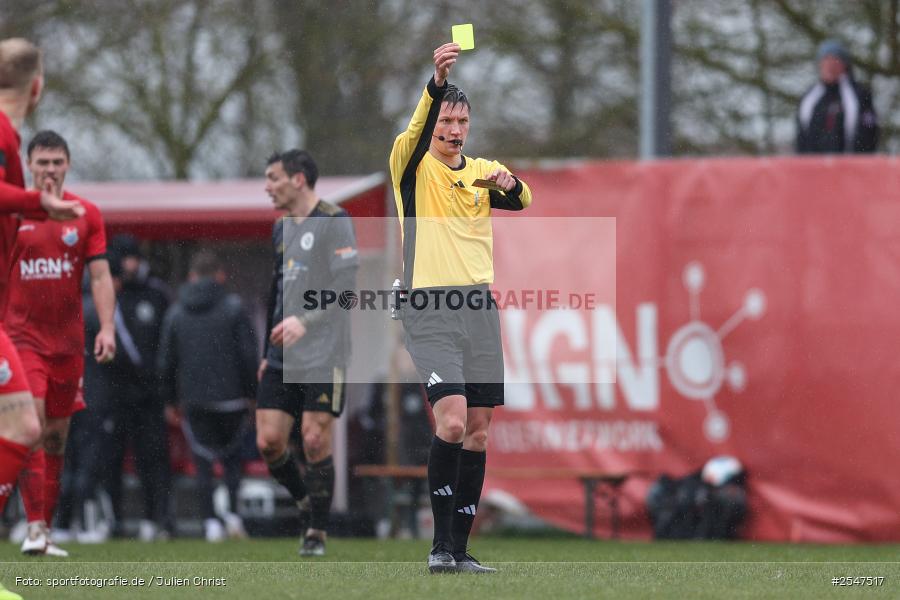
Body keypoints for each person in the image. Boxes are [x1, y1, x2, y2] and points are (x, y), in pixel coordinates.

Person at [389, 42, 533, 574]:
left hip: (479, 309)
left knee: (477, 430)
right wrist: (435, 82)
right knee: (449, 424)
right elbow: (414, 131)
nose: (453, 128)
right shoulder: (413, 165)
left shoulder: (480, 171)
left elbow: (524, 199)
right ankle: (437, 546)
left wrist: (509, 183)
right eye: (447, 118)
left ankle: (457, 547)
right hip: (429, 307)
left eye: (461, 119)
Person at [4, 130, 116, 557]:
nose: (49, 170)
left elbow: (101, 275)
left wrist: (106, 327)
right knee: (30, 427)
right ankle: (32, 526)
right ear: (28, 166)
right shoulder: (14, 215)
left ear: (68, 164)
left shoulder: (85, 214)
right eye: (42, 162)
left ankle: (43, 531)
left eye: (57, 162)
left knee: (55, 437)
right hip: (20, 340)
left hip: (68, 345)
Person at [0, 37, 83, 600]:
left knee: (30, 431)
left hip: (55, 342)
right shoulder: (4, 133)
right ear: (38, 85)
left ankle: (39, 528)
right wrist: (37, 204)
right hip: (15, 330)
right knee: (26, 429)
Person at [255, 149, 358, 556]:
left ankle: (316, 531)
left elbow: (348, 294)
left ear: (298, 180)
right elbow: (276, 292)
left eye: (273, 178)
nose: (267, 186)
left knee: (314, 440)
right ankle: (304, 500)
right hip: (281, 356)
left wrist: (306, 321)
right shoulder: (281, 228)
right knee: (269, 442)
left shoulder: (335, 221)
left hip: (324, 352)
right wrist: (267, 349)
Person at [157, 250, 258, 542]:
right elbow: (248, 355)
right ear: (220, 275)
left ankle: (210, 522)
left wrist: (171, 400)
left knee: (202, 462)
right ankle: (234, 515)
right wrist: (252, 394)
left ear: (191, 277)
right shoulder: (234, 308)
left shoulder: (176, 312)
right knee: (232, 461)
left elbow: (166, 360)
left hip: (195, 399)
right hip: (232, 400)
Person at [97, 234, 172, 540]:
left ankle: (156, 521)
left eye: (132, 257)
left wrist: (166, 390)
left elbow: (169, 347)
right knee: (110, 461)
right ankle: (112, 521)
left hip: (150, 397)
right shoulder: (105, 297)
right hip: (115, 395)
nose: (129, 265)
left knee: (152, 460)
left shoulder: (157, 295)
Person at [796, 39, 879, 154]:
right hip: (814, 168)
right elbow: (801, 136)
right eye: (825, 59)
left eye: (834, 59)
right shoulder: (809, 98)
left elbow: (869, 134)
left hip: (850, 167)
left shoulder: (860, 95)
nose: (830, 65)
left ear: (844, 64)